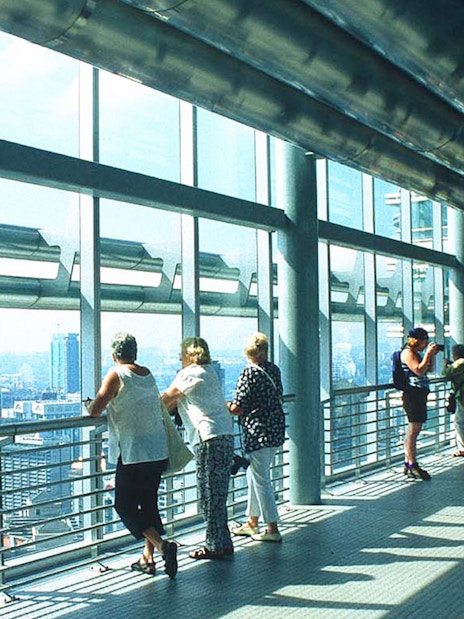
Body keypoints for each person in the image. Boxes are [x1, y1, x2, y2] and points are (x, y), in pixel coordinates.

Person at [85, 332, 178, 578]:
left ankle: (161, 546)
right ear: (135, 353)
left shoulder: (116, 374)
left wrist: (88, 406)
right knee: (148, 504)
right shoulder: (147, 374)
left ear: (114, 355)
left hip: (132, 451)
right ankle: (148, 559)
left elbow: (96, 409)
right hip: (156, 450)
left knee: (124, 505)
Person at [162, 337, 234, 560]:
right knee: (219, 492)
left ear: (189, 355)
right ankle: (223, 541)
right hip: (225, 433)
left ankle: (213, 546)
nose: (179, 359)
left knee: (208, 494)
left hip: (207, 437)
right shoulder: (209, 371)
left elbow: (165, 400)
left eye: (181, 354)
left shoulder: (189, 373)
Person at [228, 332, 286, 542]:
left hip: (257, 432)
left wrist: (225, 407)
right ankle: (252, 522)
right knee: (254, 476)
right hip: (275, 429)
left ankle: (272, 528)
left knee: (261, 480)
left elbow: (237, 407)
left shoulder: (249, 373)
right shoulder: (273, 370)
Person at [400, 327, 440, 480]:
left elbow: (428, 369)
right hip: (413, 395)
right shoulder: (408, 353)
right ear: (416, 340)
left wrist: (432, 356)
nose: (426, 343)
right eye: (424, 340)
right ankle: (412, 463)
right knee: (413, 430)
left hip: (418, 394)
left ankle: (408, 461)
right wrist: (428, 354)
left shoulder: (416, 353)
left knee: (413, 429)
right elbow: (418, 371)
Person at [442, 344, 464, 457]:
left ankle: (462, 448)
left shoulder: (460, 363)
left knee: (459, 422)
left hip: (462, 397)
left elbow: (446, 373)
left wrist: (445, 365)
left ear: (455, 354)